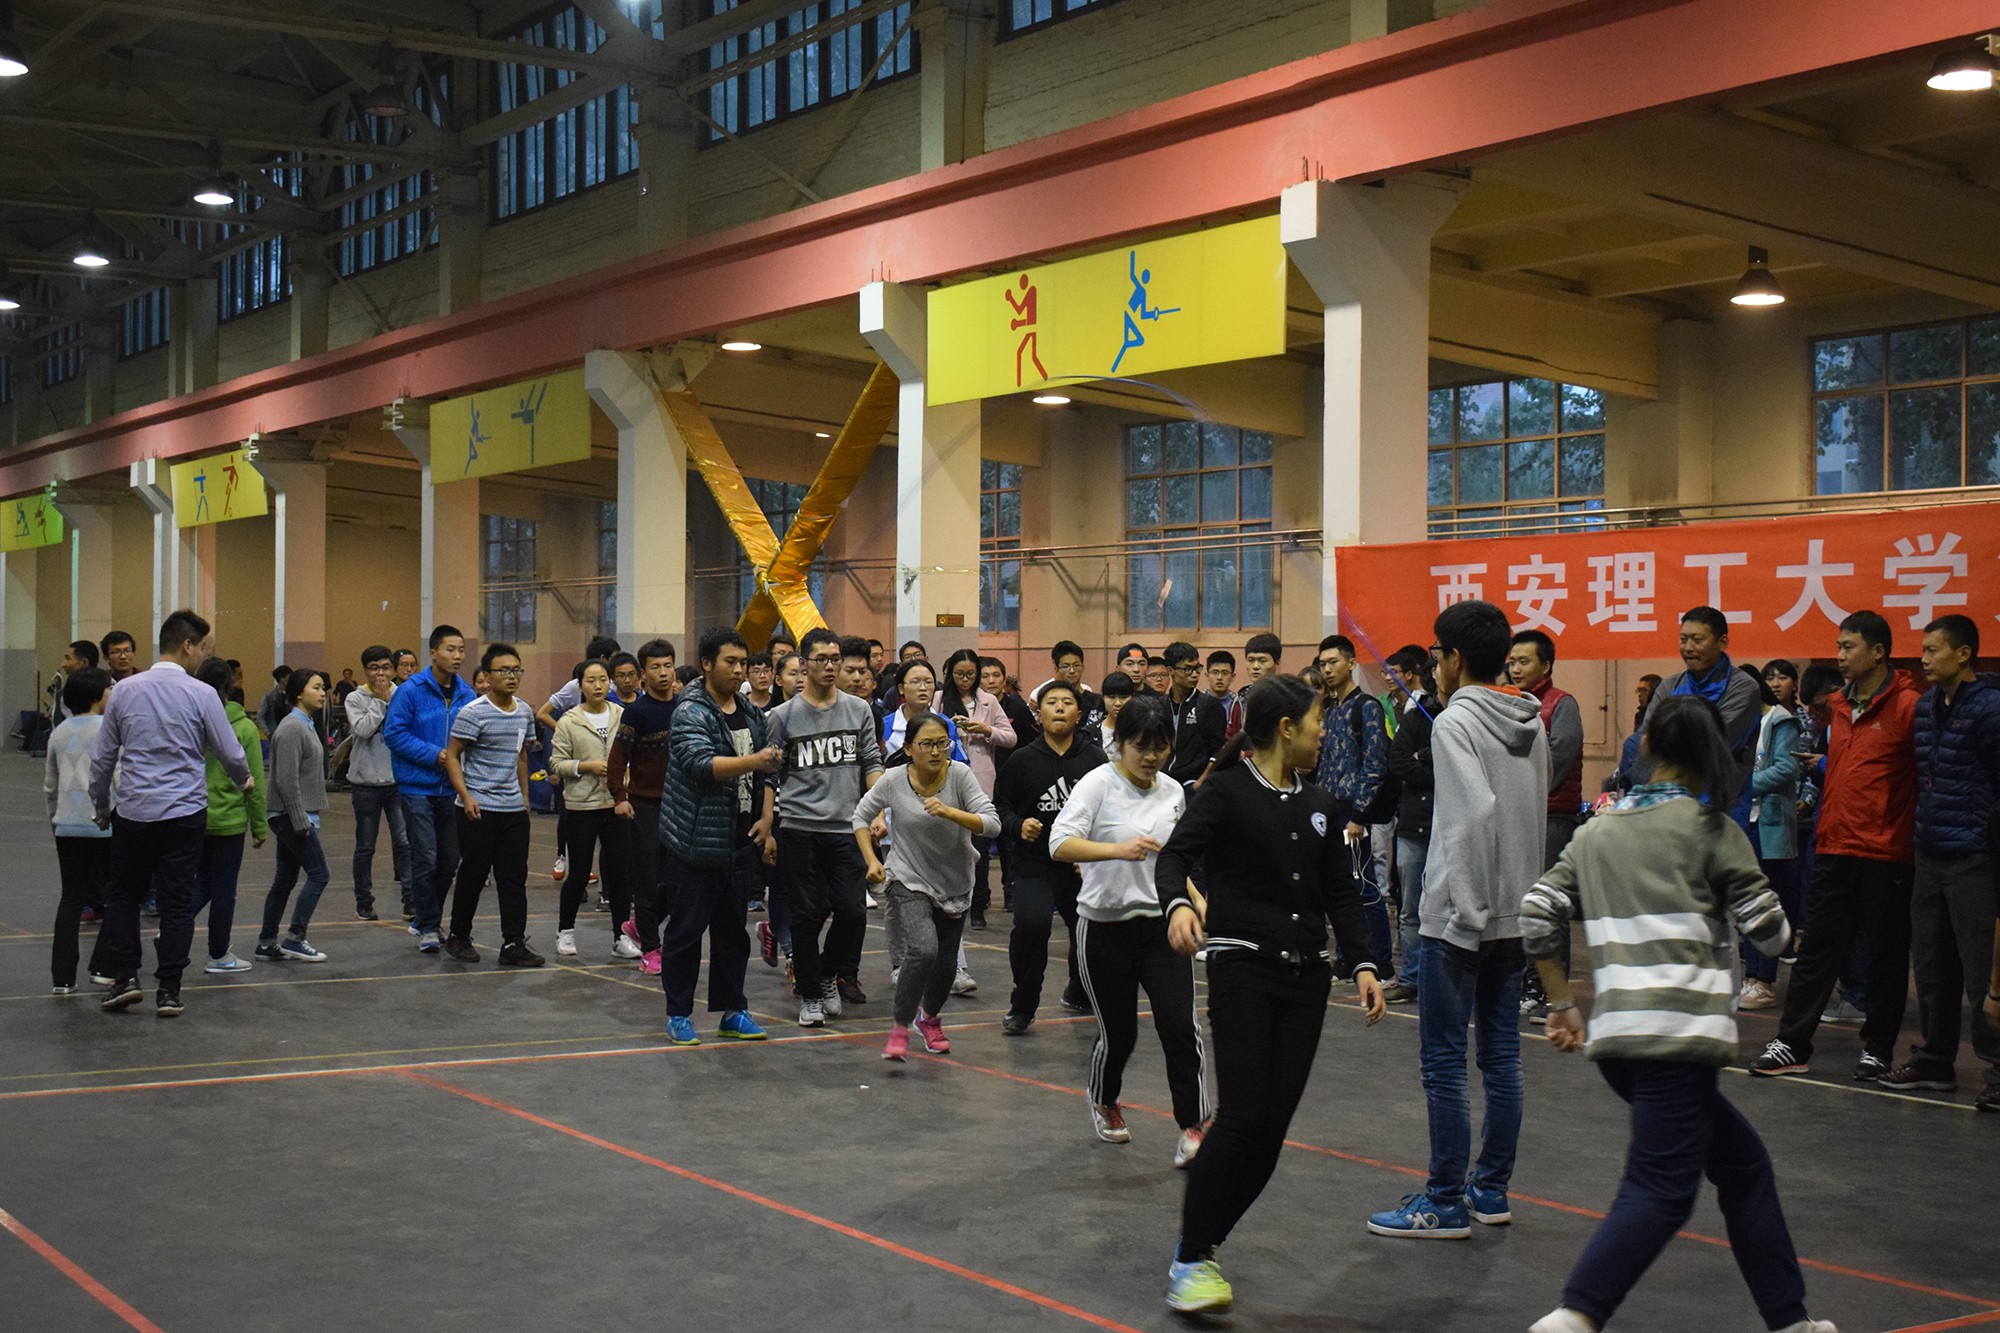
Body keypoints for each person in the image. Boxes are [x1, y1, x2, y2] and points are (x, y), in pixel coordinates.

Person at [1521, 696, 1833, 1333]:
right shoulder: (1713, 830)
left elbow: (1536, 912)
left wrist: (1562, 1001)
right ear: (1713, 754)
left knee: (1743, 1168)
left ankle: (1790, 1320)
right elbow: (1771, 934)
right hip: (1680, 1038)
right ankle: (1576, 1314)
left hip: (1619, 1042)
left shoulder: (1597, 832)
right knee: (1661, 1190)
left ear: (1648, 748)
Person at [1157, 674, 1385, 1315]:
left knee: (1271, 1131)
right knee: (1242, 1119)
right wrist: (1178, 905)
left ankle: (1206, 1245)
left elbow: (1340, 892)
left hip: (1306, 980)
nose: (1323, 733)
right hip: (1243, 972)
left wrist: (1365, 962)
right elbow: (1174, 857)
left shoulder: (1322, 802)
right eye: (1317, 723)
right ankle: (1191, 1258)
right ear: (1287, 728)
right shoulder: (1225, 790)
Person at [1368, 599, 1544, 1240]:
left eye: (1438, 654)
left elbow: (1471, 820)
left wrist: (1465, 915)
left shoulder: (1454, 724)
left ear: (1455, 658)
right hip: (1514, 914)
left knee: (1443, 1062)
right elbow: (1526, 816)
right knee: (1501, 1057)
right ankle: (1490, 1189)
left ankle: (1443, 1200)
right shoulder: (1532, 721)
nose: (1434, 666)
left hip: (1461, 920)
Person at [1750, 610, 1915, 1082]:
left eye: (1849, 647)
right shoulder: (1839, 707)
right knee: (1815, 950)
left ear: (1878, 652)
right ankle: (1791, 1042)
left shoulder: (1908, 707)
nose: (1840, 655)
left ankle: (1878, 1048)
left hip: (1885, 851)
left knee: (1884, 954)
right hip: (1833, 845)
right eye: (1839, 646)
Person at [1051, 694, 1206, 1160]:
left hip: (1161, 927)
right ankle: (1104, 1099)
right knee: (1119, 1035)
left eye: (1160, 747)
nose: (1151, 757)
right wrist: (1115, 850)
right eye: (1141, 746)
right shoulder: (1097, 785)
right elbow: (1060, 843)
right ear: (1119, 742)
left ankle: (1194, 1125)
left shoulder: (1173, 791)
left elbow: (1172, 858)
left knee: (1180, 1027)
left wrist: (1195, 898)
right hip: (1104, 928)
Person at [89, 611, 252, 1017]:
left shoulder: (125, 691)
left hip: (135, 811)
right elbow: (230, 751)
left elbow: (103, 757)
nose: (204, 657)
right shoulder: (202, 694)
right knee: (177, 902)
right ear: (187, 645)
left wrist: (101, 807)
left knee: (124, 895)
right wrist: (244, 780)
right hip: (184, 812)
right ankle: (169, 990)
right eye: (203, 649)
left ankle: (126, 978)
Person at [1880, 615, 2000, 1108]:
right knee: (1931, 966)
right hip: (1929, 854)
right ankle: (1935, 1060)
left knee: (1981, 973)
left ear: (1964, 654)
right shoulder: (1928, 706)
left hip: (1975, 858)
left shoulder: (1991, 708)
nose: (1924, 659)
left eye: (1933, 650)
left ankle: (1999, 1068)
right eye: (1923, 650)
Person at [853, 712, 999, 1060]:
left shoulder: (960, 776)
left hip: (954, 880)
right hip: (908, 876)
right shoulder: (893, 779)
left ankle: (929, 1019)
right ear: (909, 748)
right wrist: (871, 860)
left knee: (946, 964)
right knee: (923, 950)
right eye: (927, 744)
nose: (935, 751)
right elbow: (860, 816)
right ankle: (900, 1025)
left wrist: (950, 812)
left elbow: (991, 824)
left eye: (942, 744)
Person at [658, 627, 777, 1046]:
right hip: (695, 842)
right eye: (731, 662)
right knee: (686, 933)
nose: (739, 670)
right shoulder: (691, 711)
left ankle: (733, 1011)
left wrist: (766, 817)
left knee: (732, 934)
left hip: (738, 841)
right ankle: (678, 1014)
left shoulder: (748, 710)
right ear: (707, 664)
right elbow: (700, 764)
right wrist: (755, 760)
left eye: (743, 662)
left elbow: (769, 771)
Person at [766, 629, 885, 1025]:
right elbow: (769, 775)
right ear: (804, 664)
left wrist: (878, 809)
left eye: (836, 659)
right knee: (806, 913)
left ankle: (826, 973)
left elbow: (871, 760)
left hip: (847, 826)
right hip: (799, 826)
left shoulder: (858, 709)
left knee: (852, 910)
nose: (831, 666)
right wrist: (767, 824)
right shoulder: (782, 717)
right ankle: (811, 995)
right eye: (822, 659)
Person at [995, 680, 1107, 1032]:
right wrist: (1017, 826)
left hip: (1081, 866)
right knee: (1032, 925)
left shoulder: (1095, 760)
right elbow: (1001, 806)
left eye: (1067, 702)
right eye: (1052, 702)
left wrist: (1093, 851)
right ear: (1039, 715)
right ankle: (1023, 1005)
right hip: (1035, 863)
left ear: (1079, 713)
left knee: (1089, 930)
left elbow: (1109, 810)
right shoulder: (1022, 760)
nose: (1059, 708)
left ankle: (1080, 989)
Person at [437, 643, 545, 967]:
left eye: (516, 670)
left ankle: (513, 943)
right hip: (478, 807)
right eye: (504, 670)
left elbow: (521, 754)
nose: (512, 676)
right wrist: (466, 795)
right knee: (473, 874)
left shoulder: (523, 711)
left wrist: (524, 797)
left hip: (512, 810)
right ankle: (458, 935)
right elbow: (452, 755)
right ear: (487, 675)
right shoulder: (473, 712)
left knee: (513, 879)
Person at [384, 625, 475, 955]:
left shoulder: (467, 695)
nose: (457, 656)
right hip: (416, 787)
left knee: (449, 860)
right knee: (426, 857)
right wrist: (435, 755)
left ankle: (425, 917)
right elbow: (394, 734)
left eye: (461, 650)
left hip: (451, 790)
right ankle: (429, 926)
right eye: (450, 649)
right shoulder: (411, 691)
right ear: (433, 653)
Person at [1622, 609, 1761, 822]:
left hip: (1720, 813)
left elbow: (1712, 745)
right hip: (1665, 809)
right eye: (1683, 639)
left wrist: (1663, 746)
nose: (1688, 647)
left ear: (1722, 642)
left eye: (1697, 640)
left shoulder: (1744, 688)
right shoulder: (1669, 686)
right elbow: (1641, 741)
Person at [1509, 629, 1584, 1020]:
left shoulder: (1562, 704)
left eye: (1524, 661)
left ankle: (1553, 992)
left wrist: (1514, 784)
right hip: (1519, 816)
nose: (1515, 668)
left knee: (1550, 906)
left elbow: (1556, 763)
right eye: (1512, 661)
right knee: (1522, 905)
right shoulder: (1509, 702)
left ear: (1546, 665)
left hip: (1554, 817)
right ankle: (1529, 986)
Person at [1313, 635, 1395, 973]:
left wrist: (1360, 816)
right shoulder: (1331, 710)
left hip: (1352, 813)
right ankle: (1350, 958)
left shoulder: (1367, 707)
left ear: (1351, 663)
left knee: (1364, 885)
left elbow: (1375, 764)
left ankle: (1381, 961)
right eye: (1322, 664)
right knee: (1339, 888)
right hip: (1329, 812)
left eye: (1333, 662)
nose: (1327, 669)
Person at [550, 660, 635, 960]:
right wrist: (586, 766)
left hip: (615, 805)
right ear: (580, 685)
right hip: (581, 806)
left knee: (620, 874)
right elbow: (557, 763)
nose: (598, 686)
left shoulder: (622, 715)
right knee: (579, 874)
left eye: (602, 680)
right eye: (591, 680)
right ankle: (565, 931)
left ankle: (621, 937)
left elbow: (633, 754)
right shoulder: (569, 721)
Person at [608, 638, 681, 975]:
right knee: (647, 880)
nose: (663, 673)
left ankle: (640, 925)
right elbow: (617, 758)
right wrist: (619, 797)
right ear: (643, 674)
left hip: (679, 805)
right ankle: (651, 948)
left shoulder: (684, 709)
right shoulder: (636, 712)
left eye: (668, 666)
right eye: (655, 667)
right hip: (644, 807)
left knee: (677, 878)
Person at [192, 656, 266, 976]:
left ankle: (172, 927)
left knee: (202, 883)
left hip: (193, 814)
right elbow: (254, 781)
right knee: (223, 889)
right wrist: (259, 825)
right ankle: (218, 953)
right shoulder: (245, 728)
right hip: (229, 821)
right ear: (230, 686)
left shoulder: (191, 722)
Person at [256, 669, 334, 964]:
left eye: (323, 687)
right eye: (316, 687)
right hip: (291, 815)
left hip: (295, 814)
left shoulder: (306, 724)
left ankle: (266, 943)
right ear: (299, 693)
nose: (323, 693)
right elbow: (286, 780)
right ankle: (295, 938)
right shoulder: (292, 727)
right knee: (319, 874)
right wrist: (300, 820)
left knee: (285, 879)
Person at [46, 667, 116, 993]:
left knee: (70, 899)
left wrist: (55, 820)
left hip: (67, 827)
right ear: (96, 695)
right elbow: (118, 778)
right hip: (104, 826)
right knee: (118, 896)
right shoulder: (108, 729)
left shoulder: (59, 733)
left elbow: (51, 786)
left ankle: (62, 978)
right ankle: (103, 967)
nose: (113, 693)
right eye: (109, 689)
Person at [1738, 671, 1802, 1012]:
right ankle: (1751, 977)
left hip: (1769, 824)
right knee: (1747, 901)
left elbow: (1786, 769)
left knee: (1766, 903)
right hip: (1745, 822)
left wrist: (1744, 786)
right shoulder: (1746, 723)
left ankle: (1765, 980)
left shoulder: (1781, 721)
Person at [537, 634, 624, 886]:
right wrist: (568, 734)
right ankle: (562, 857)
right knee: (570, 823)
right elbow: (543, 714)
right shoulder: (572, 690)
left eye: (603, 680)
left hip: (611, 792)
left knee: (616, 859)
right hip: (580, 789)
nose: (598, 685)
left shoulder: (617, 704)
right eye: (614, 658)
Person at [942, 648, 1016, 931]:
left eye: (970, 675)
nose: (965, 680)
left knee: (979, 847)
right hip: (947, 776)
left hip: (980, 779)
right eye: (959, 674)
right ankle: (949, 901)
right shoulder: (940, 699)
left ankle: (978, 906)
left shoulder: (989, 701)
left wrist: (985, 731)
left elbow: (1010, 737)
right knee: (948, 844)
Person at [1382, 644, 1437, 1006]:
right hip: (1413, 823)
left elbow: (1454, 759)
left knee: (1446, 910)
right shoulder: (1416, 714)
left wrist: (1425, 757)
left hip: (1447, 824)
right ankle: (1412, 978)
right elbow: (1398, 761)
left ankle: (1440, 979)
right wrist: (1427, 768)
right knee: (1410, 910)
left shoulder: (1456, 714)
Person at [345, 645, 409, 921]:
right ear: (365, 671)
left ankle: (411, 900)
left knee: (404, 843)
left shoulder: (403, 694)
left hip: (397, 783)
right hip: (366, 784)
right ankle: (364, 901)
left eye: (385, 667)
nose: (380, 673)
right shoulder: (355, 698)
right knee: (366, 846)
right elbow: (362, 729)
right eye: (374, 668)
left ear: (393, 669)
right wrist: (381, 702)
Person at [1162, 641, 1226, 791]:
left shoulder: (1209, 706)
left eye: (1197, 668)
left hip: (1193, 783)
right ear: (1170, 670)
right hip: (1163, 783)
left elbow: (1217, 752)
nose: (1195, 674)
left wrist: (1199, 784)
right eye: (1187, 669)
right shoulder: (1159, 706)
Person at [1031, 640, 1107, 734]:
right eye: (1066, 666)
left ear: (1083, 668)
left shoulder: (1097, 701)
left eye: (1076, 665)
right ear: (1056, 669)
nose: (1072, 671)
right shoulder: (1047, 699)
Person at [1098, 671, 1136, 758]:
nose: (1118, 703)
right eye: (1112, 697)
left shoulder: (1140, 729)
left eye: (1123, 697)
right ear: (1103, 698)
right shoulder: (1090, 733)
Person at [1206, 649, 1242, 740]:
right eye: (1215, 672)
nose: (1219, 678)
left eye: (1225, 673)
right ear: (1207, 676)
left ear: (1233, 677)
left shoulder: (1239, 705)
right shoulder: (1197, 703)